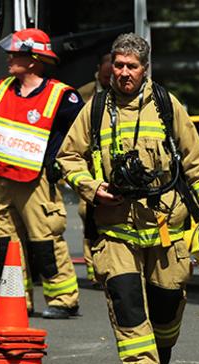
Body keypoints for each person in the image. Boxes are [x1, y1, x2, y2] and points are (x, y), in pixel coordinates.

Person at [57, 33, 199, 364]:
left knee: (167, 305)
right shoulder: (95, 110)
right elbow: (68, 158)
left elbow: (196, 162)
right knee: (127, 301)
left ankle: (160, 356)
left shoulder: (166, 106)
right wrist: (92, 188)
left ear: (145, 69)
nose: (123, 73)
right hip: (116, 228)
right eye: (118, 65)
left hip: (166, 228)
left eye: (131, 66)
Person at [0, 28, 83, 319]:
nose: (9, 57)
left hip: (36, 181)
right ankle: (16, 298)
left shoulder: (62, 97)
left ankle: (64, 299)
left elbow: (81, 133)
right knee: (5, 244)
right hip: (2, 179)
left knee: (45, 242)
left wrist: (59, 161)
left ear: (34, 60)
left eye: (16, 53)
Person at [76, 52, 113, 284]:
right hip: (90, 167)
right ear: (98, 70)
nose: (111, 78)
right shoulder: (84, 94)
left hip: (111, 166)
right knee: (87, 213)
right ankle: (93, 267)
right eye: (107, 74)